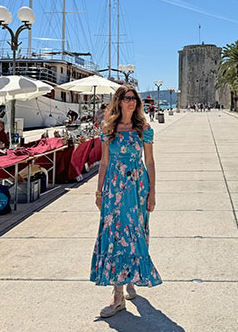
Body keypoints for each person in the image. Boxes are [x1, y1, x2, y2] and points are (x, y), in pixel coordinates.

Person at [91, 84, 161, 318]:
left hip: (137, 189)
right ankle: (117, 294)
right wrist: (99, 191)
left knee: (136, 233)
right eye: (127, 98)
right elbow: (104, 162)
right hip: (113, 190)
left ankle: (130, 280)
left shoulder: (143, 128)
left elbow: (149, 162)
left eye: (134, 98)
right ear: (118, 101)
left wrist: (152, 192)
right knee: (115, 235)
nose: (132, 102)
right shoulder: (109, 128)